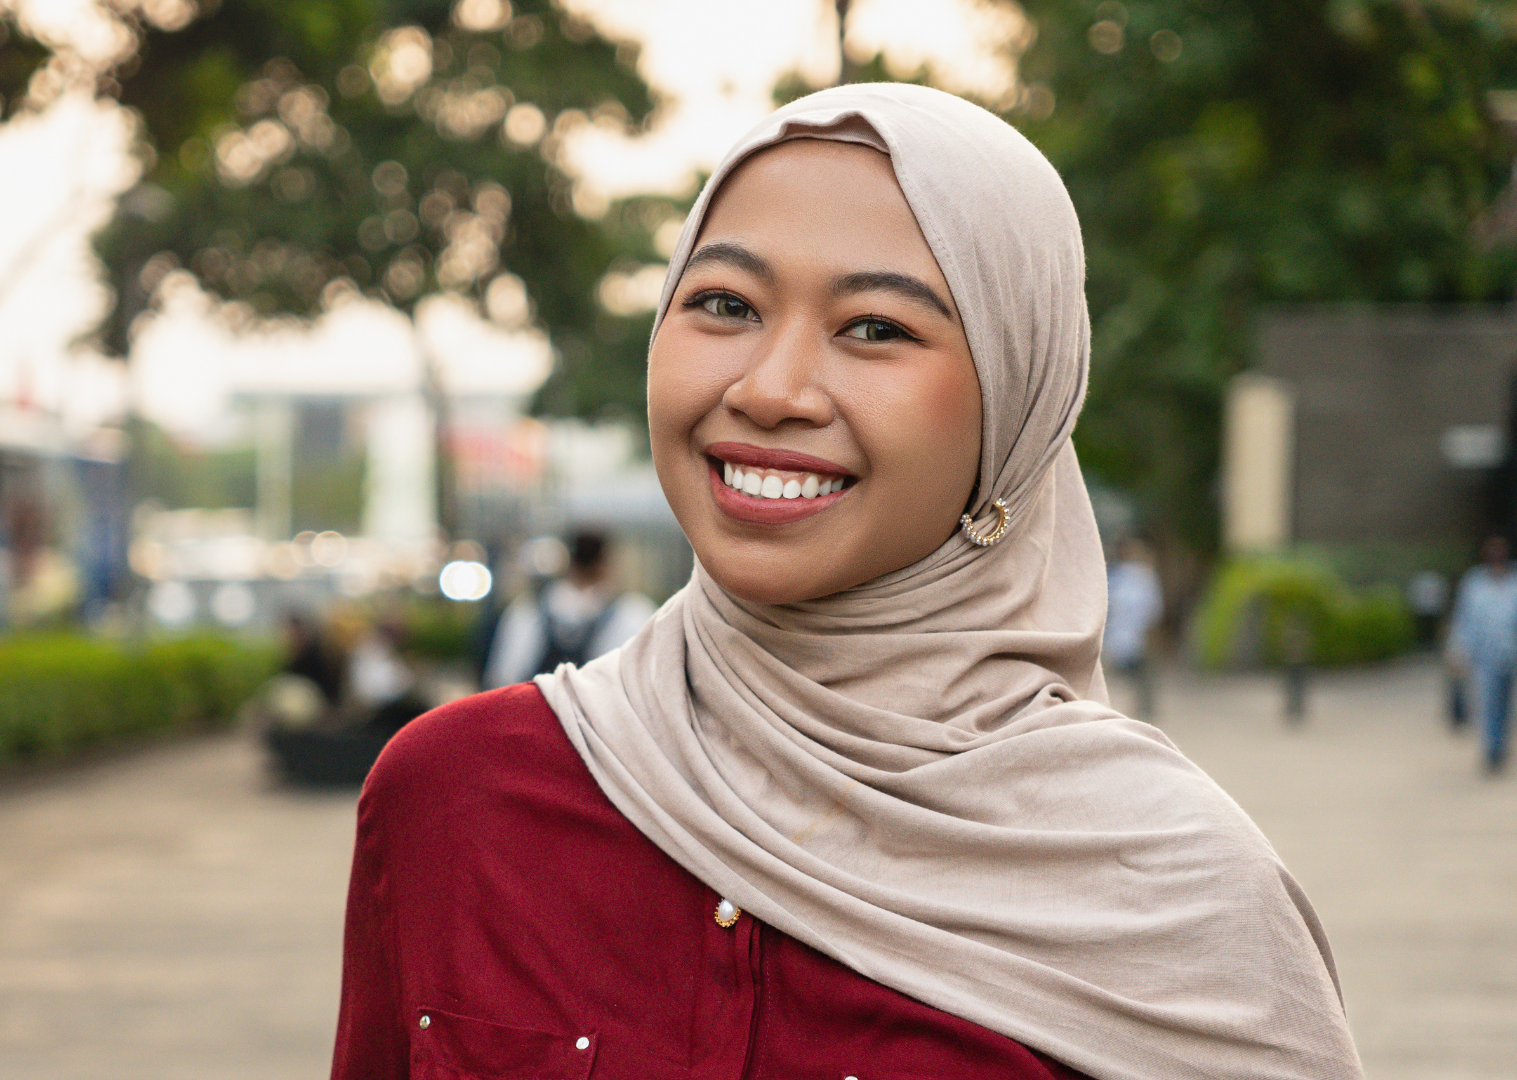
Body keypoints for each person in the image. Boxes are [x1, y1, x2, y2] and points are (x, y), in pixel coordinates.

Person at [331, 85, 1360, 1079]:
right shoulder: (459, 801)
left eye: (876, 326)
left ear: (1018, 404)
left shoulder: (1181, 899)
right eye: (724, 303)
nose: (768, 390)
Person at [480, 530, 655, 689]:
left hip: (539, 719)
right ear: (606, 563)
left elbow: (502, 677)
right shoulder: (633, 613)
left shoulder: (528, 610)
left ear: (568, 561)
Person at [1446, 534, 1517, 774]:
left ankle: (1501, 743)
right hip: (1484, 656)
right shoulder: (1474, 582)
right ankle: (1492, 749)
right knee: (1488, 702)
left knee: (1506, 704)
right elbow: (1463, 619)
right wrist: (1457, 650)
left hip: (1511, 655)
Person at [1103, 537, 1163, 719]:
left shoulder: (1136, 577)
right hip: (1121, 637)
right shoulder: (1121, 576)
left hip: (1131, 636)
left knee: (1135, 680)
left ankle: (1136, 712)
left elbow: (1152, 612)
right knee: (1125, 681)